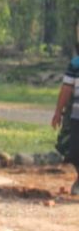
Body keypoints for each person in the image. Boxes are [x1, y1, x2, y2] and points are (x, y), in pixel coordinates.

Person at [50, 44, 79, 196]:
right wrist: (58, 112)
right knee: (74, 151)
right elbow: (66, 89)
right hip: (76, 115)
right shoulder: (75, 64)